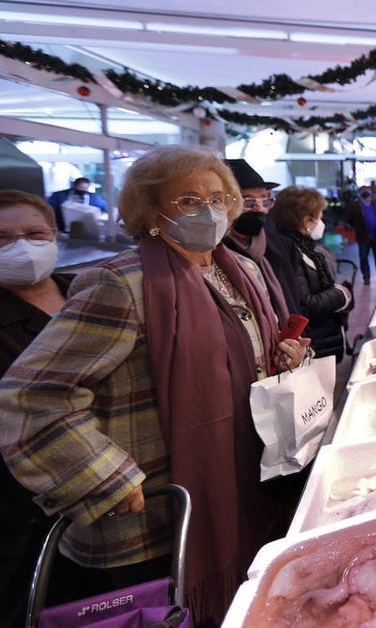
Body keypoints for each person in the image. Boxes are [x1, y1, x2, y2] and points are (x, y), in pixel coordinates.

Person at [0, 146, 310, 625]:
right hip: (155, 513)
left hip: (245, 483)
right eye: (186, 200)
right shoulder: (121, 284)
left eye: (216, 197)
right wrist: (105, 477)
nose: (207, 210)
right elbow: (32, 396)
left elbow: (243, 361)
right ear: (150, 211)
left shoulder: (239, 270)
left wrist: (285, 357)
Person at [0, 190, 72, 628]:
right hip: (23, 496)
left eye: (33, 233)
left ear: (54, 235)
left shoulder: (85, 290)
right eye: (2, 238)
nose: (21, 246)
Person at [269, 187, 354, 361]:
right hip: (314, 342)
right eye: (320, 218)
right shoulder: (290, 252)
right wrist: (342, 294)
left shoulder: (307, 248)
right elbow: (304, 303)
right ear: (307, 221)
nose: (322, 223)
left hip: (323, 337)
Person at [223, 159, 294, 323]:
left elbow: (294, 298)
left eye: (264, 201)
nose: (259, 208)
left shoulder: (282, 245)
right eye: (248, 202)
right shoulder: (217, 252)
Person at [345, 184, 376, 286]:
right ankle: (366, 278)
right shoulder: (355, 207)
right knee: (363, 258)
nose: (367, 198)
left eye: (368, 195)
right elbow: (349, 219)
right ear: (361, 196)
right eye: (365, 196)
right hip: (363, 236)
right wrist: (358, 227)